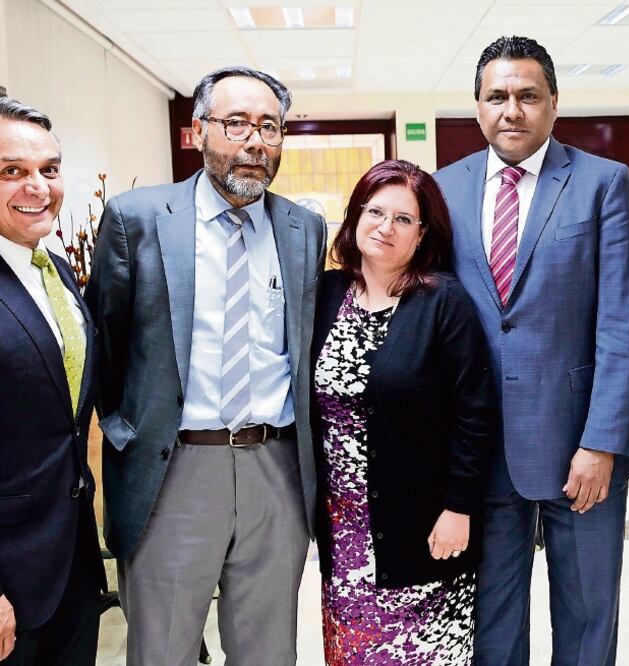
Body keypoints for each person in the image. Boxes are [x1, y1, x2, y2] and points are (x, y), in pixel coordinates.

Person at [86, 66, 326, 664]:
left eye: (269, 127)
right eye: (236, 123)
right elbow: (107, 348)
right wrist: (127, 432)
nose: (255, 141)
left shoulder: (304, 228)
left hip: (276, 469)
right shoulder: (136, 219)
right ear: (198, 132)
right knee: (163, 647)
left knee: (268, 650)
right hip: (174, 469)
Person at [434, 36, 629, 664]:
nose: (512, 110)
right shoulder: (444, 190)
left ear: (554, 103)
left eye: (528, 96)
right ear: (477, 107)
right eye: (496, 96)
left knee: (586, 623)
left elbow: (622, 322)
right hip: (480, 451)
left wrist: (603, 441)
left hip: (579, 447)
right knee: (492, 627)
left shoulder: (603, 183)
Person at [311, 159, 496, 664]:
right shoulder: (327, 295)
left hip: (423, 528)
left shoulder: (443, 302)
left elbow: (475, 413)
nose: (385, 227)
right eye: (375, 211)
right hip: (344, 531)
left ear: (423, 233)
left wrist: (459, 507)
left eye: (403, 219)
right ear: (354, 218)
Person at [0, 97, 105, 666]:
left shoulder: (53, 268)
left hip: (69, 561)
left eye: (49, 169)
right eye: (11, 171)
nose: (38, 187)